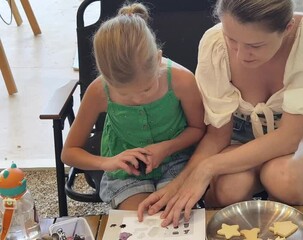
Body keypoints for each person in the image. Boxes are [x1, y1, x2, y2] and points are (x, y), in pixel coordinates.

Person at [138, 0, 303, 226]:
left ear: (287, 28)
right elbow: (218, 136)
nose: (240, 55)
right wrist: (180, 183)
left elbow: (288, 139)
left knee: (282, 176)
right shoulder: (214, 43)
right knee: (229, 188)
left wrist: (208, 168)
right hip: (240, 134)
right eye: (232, 39)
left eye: (255, 45)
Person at [61, 3, 205, 210]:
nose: (137, 99)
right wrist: (107, 162)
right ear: (105, 78)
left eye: (146, 89)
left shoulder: (182, 81)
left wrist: (166, 147)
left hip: (177, 160)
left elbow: (199, 129)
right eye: (124, 93)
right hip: (124, 170)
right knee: (138, 221)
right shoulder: (99, 90)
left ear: (158, 59)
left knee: (173, 215)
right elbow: (69, 153)